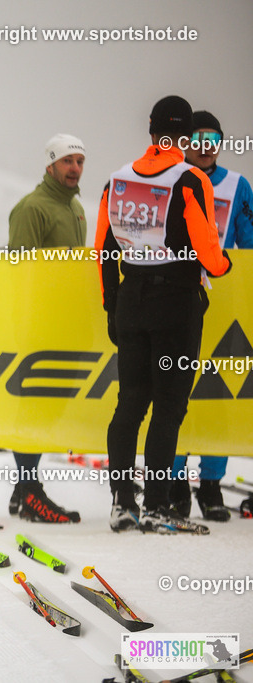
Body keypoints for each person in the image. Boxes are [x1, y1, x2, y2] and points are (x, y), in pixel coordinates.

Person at [95, 95, 232, 534]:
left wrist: (113, 306)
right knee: (169, 407)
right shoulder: (190, 179)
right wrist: (225, 265)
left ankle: (122, 502)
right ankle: (156, 504)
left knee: (130, 403)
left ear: (151, 131)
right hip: (176, 306)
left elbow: (103, 251)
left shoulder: (116, 180)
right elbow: (211, 257)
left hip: (131, 303)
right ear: (188, 135)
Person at [169, 110, 253, 522]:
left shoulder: (238, 186)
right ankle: (173, 478)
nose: (204, 144)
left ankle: (212, 484)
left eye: (212, 137)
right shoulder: (173, 179)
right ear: (185, 141)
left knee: (218, 391)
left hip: (222, 302)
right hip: (179, 297)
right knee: (179, 387)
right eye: (196, 136)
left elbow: (249, 245)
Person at [5, 133, 87, 524]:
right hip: (37, 327)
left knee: (48, 408)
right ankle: (30, 488)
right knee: (34, 407)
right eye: (67, 161)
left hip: (65, 325)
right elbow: (20, 274)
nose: (74, 169)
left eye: (80, 162)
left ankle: (24, 489)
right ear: (51, 165)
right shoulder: (32, 208)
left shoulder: (75, 209)